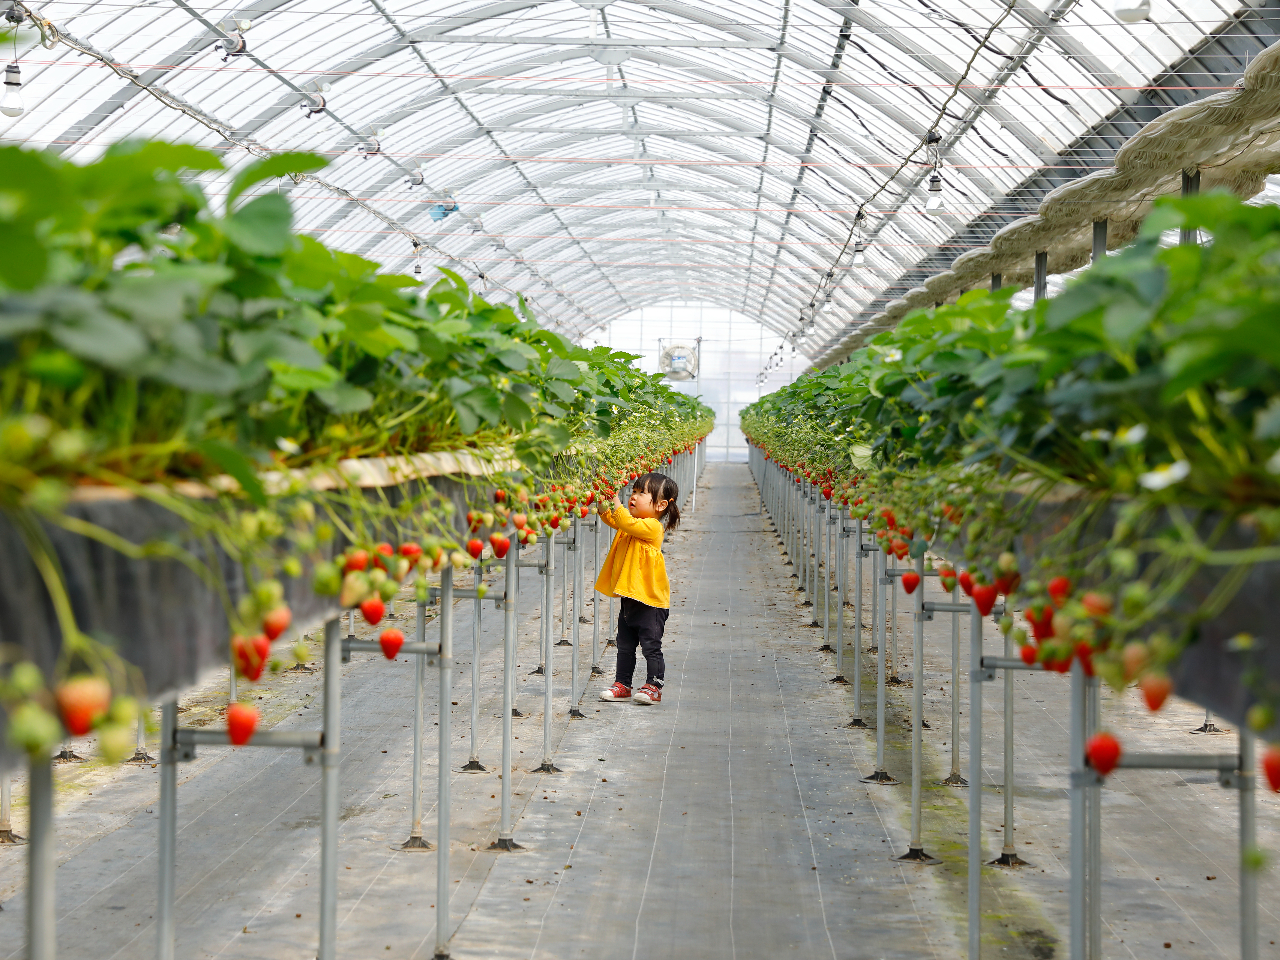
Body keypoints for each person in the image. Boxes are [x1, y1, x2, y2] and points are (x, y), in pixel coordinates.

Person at [595, 472, 680, 705]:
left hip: (651, 603)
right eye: (633, 491)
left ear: (661, 505)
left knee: (651, 647)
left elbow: (623, 520)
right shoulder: (632, 525)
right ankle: (623, 684)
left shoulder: (652, 527)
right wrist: (602, 498)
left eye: (642, 493)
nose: (633, 497)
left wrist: (614, 498)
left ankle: (654, 686)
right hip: (631, 598)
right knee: (624, 645)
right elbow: (613, 519)